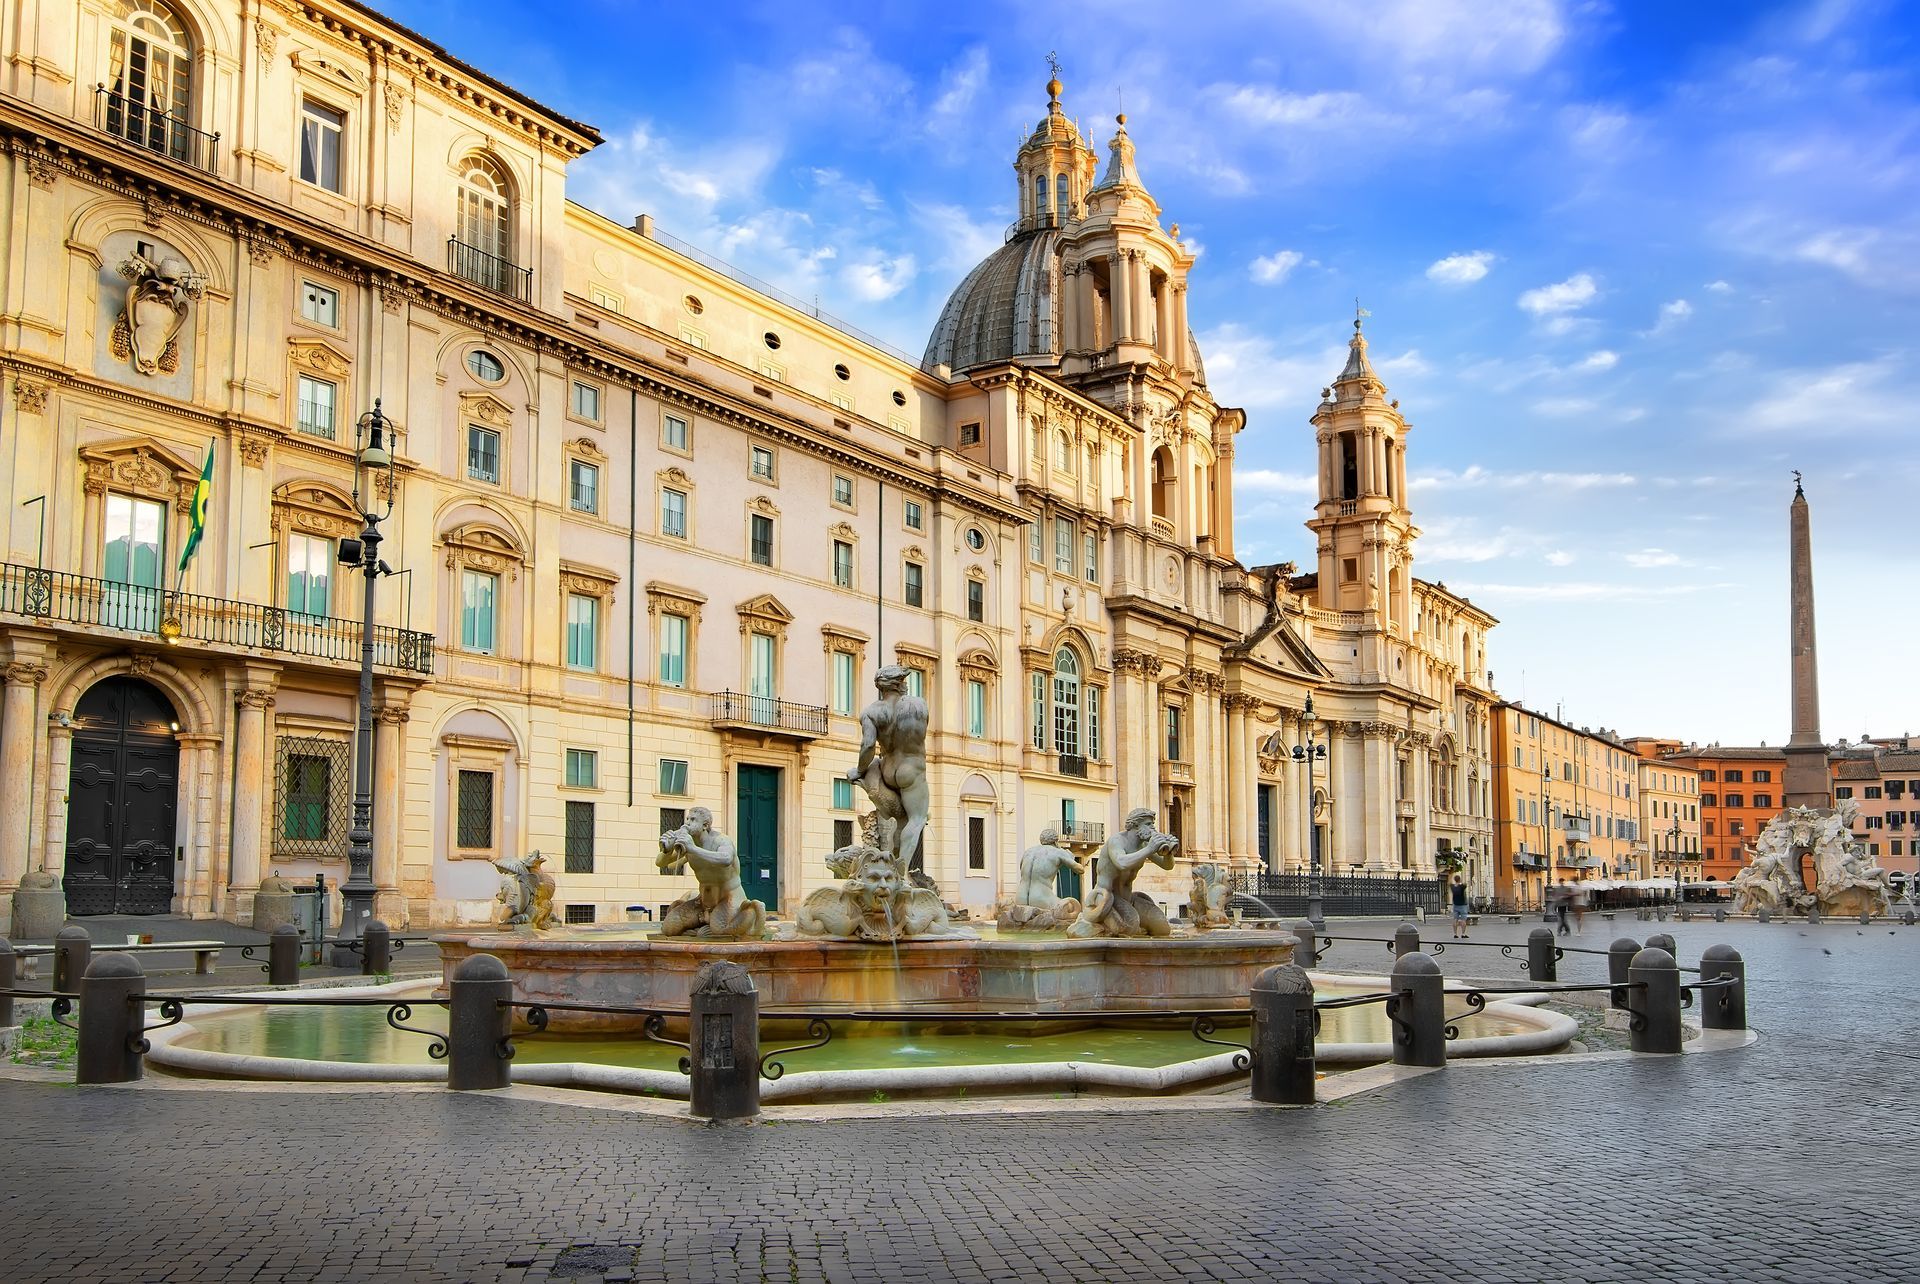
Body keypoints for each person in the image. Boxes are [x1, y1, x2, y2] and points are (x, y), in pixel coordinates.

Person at [846, 664, 930, 872]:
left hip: (886, 769)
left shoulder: (871, 712)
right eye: (904, 681)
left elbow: (867, 746)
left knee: (901, 821)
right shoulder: (918, 705)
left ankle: (890, 865)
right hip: (911, 770)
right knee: (916, 819)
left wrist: (858, 770)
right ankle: (900, 874)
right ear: (899, 683)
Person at [1448, 874, 1470, 938]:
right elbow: (1465, 884)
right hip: (1463, 905)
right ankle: (1463, 934)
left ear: (1454, 880)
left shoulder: (1452, 887)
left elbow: (1449, 883)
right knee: (1463, 920)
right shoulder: (1462, 886)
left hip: (1455, 905)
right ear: (1459, 879)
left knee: (1455, 919)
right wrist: (1460, 882)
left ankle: (1455, 934)